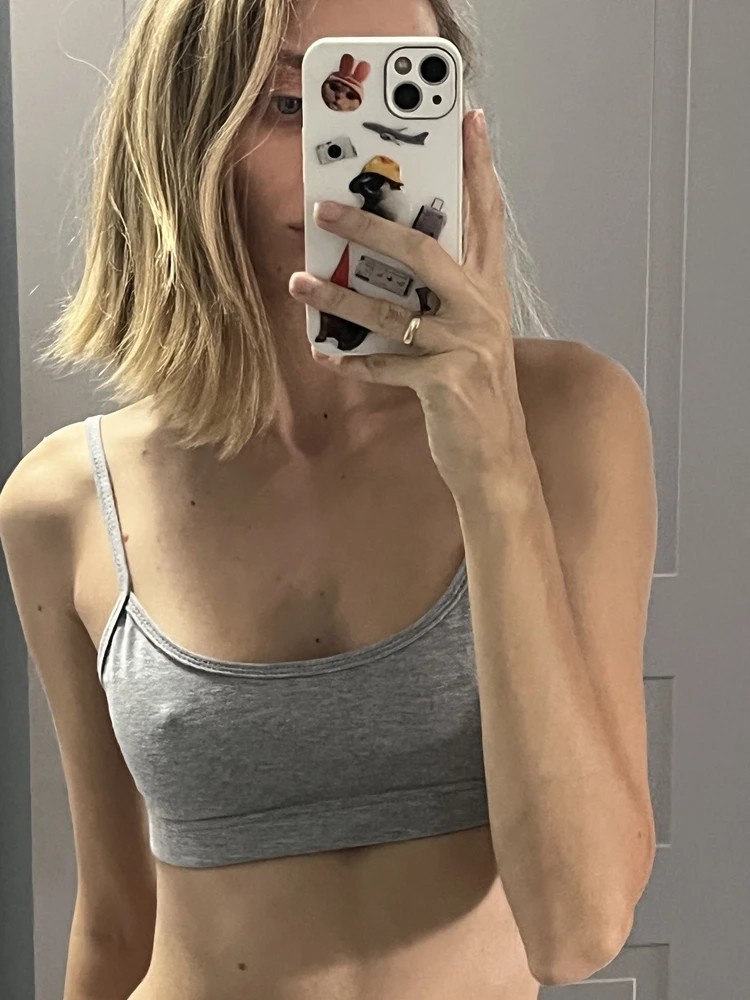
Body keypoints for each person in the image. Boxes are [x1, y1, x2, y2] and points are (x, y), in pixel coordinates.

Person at [1, 2, 643, 999]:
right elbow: (118, 917)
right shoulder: (63, 502)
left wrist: (491, 465)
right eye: (292, 103)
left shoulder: (567, 420)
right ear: (184, 129)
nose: (361, 161)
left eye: (402, 100)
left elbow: (578, 930)